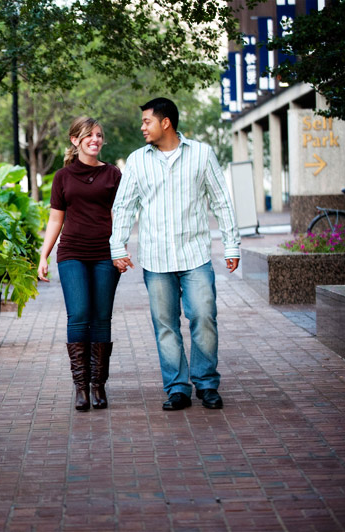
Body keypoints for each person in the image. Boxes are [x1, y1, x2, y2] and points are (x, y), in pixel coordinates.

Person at [110, 98, 240, 411]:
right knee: (165, 325)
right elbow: (124, 207)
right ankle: (177, 388)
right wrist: (118, 245)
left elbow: (221, 202)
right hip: (156, 260)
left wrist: (232, 245)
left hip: (195, 256)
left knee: (203, 317)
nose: (142, 127)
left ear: (165, 122)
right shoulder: (138, 161)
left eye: (146, 121)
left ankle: (206, 384)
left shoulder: (202, 154)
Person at [38, 117, 124, 411]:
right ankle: (80, 388)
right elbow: (55, 219)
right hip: (72, 252)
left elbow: (118, 217)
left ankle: (98, 386)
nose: (95, 140)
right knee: (79, 314)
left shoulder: (113, 174)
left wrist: (121, 250)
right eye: (89, 135)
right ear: (75, 140)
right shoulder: (63, 177)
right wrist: (43, 254)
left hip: (104, 253)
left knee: (101, 317)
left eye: (99, 135)